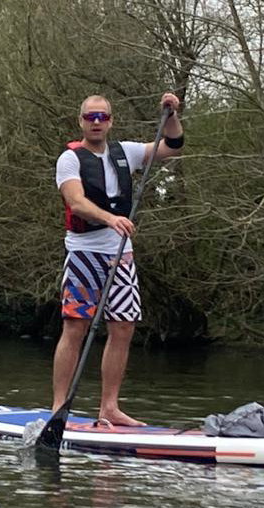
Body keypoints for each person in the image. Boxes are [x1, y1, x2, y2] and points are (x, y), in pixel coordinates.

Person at [51, 92, 184, 427]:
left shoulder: (128, 152)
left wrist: (170, 114)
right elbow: (77, 202)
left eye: (102, 117)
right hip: (84, 253)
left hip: (121, 256)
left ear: (110, 121)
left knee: (123, 326)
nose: (96, 123)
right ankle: (58, 407)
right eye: (90, 117)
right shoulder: (70, 160)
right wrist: (110, 219)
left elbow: (173, 146)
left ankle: (109, 407)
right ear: (81, 121)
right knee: (76, 326)